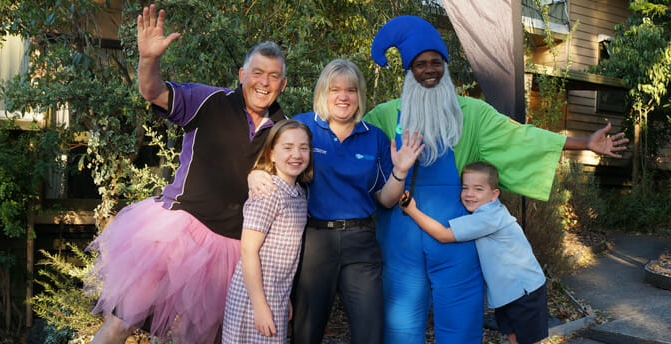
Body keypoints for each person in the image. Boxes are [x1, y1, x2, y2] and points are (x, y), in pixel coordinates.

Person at [363, 15, 629, 343]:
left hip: (456, 236)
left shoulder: (471, 114)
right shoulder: (383, 115)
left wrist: (583, 143)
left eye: (436, 62)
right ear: (408, 71)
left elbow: (521, 138)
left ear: (446, 67)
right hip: (399, 241)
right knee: (401, 325)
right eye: (420, 64)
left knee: (461, 323)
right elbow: (355, 156)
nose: (429, 70)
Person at [84, 4, 288, 343]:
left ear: (283, 83)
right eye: (257, 72)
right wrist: (149, 58)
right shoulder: (208, 100)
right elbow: (153, 91)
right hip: (178, 233)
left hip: (230, 251)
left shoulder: (283, 132)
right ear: (241, 74)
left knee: (195, 339)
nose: (264, 82)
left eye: (273, 76)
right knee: (122, 321)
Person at [248, 59, 424, 344]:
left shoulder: (374, 137)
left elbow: (387, 199)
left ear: (359, 96)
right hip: (315, 240)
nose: (343, 97)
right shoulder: (303, 125)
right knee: (306, 333)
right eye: (335, 90)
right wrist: (254, 174)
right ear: (323, 93)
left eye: (351, 90)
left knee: (370, 334)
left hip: (361, 243)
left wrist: (401, 170)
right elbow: (271, 158)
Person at [400, 161, 549, 344]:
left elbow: (444, 235)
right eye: (465, 188)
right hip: (510, 293)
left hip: (524, 291)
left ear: (494, 195)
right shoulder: (487, 211)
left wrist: (412, 210)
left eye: (478, 189)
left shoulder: (487, 217)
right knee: (515, 338)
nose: (470, 194)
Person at [222, 120, 313, 343]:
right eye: (288, 147)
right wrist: (260, 305)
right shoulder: (267, 192)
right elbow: (249, 250)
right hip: (252, 298)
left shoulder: (299, 193)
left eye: (303, 147)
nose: (297, 154)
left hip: (276, 297)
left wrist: (283, 298)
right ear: (271, 154)